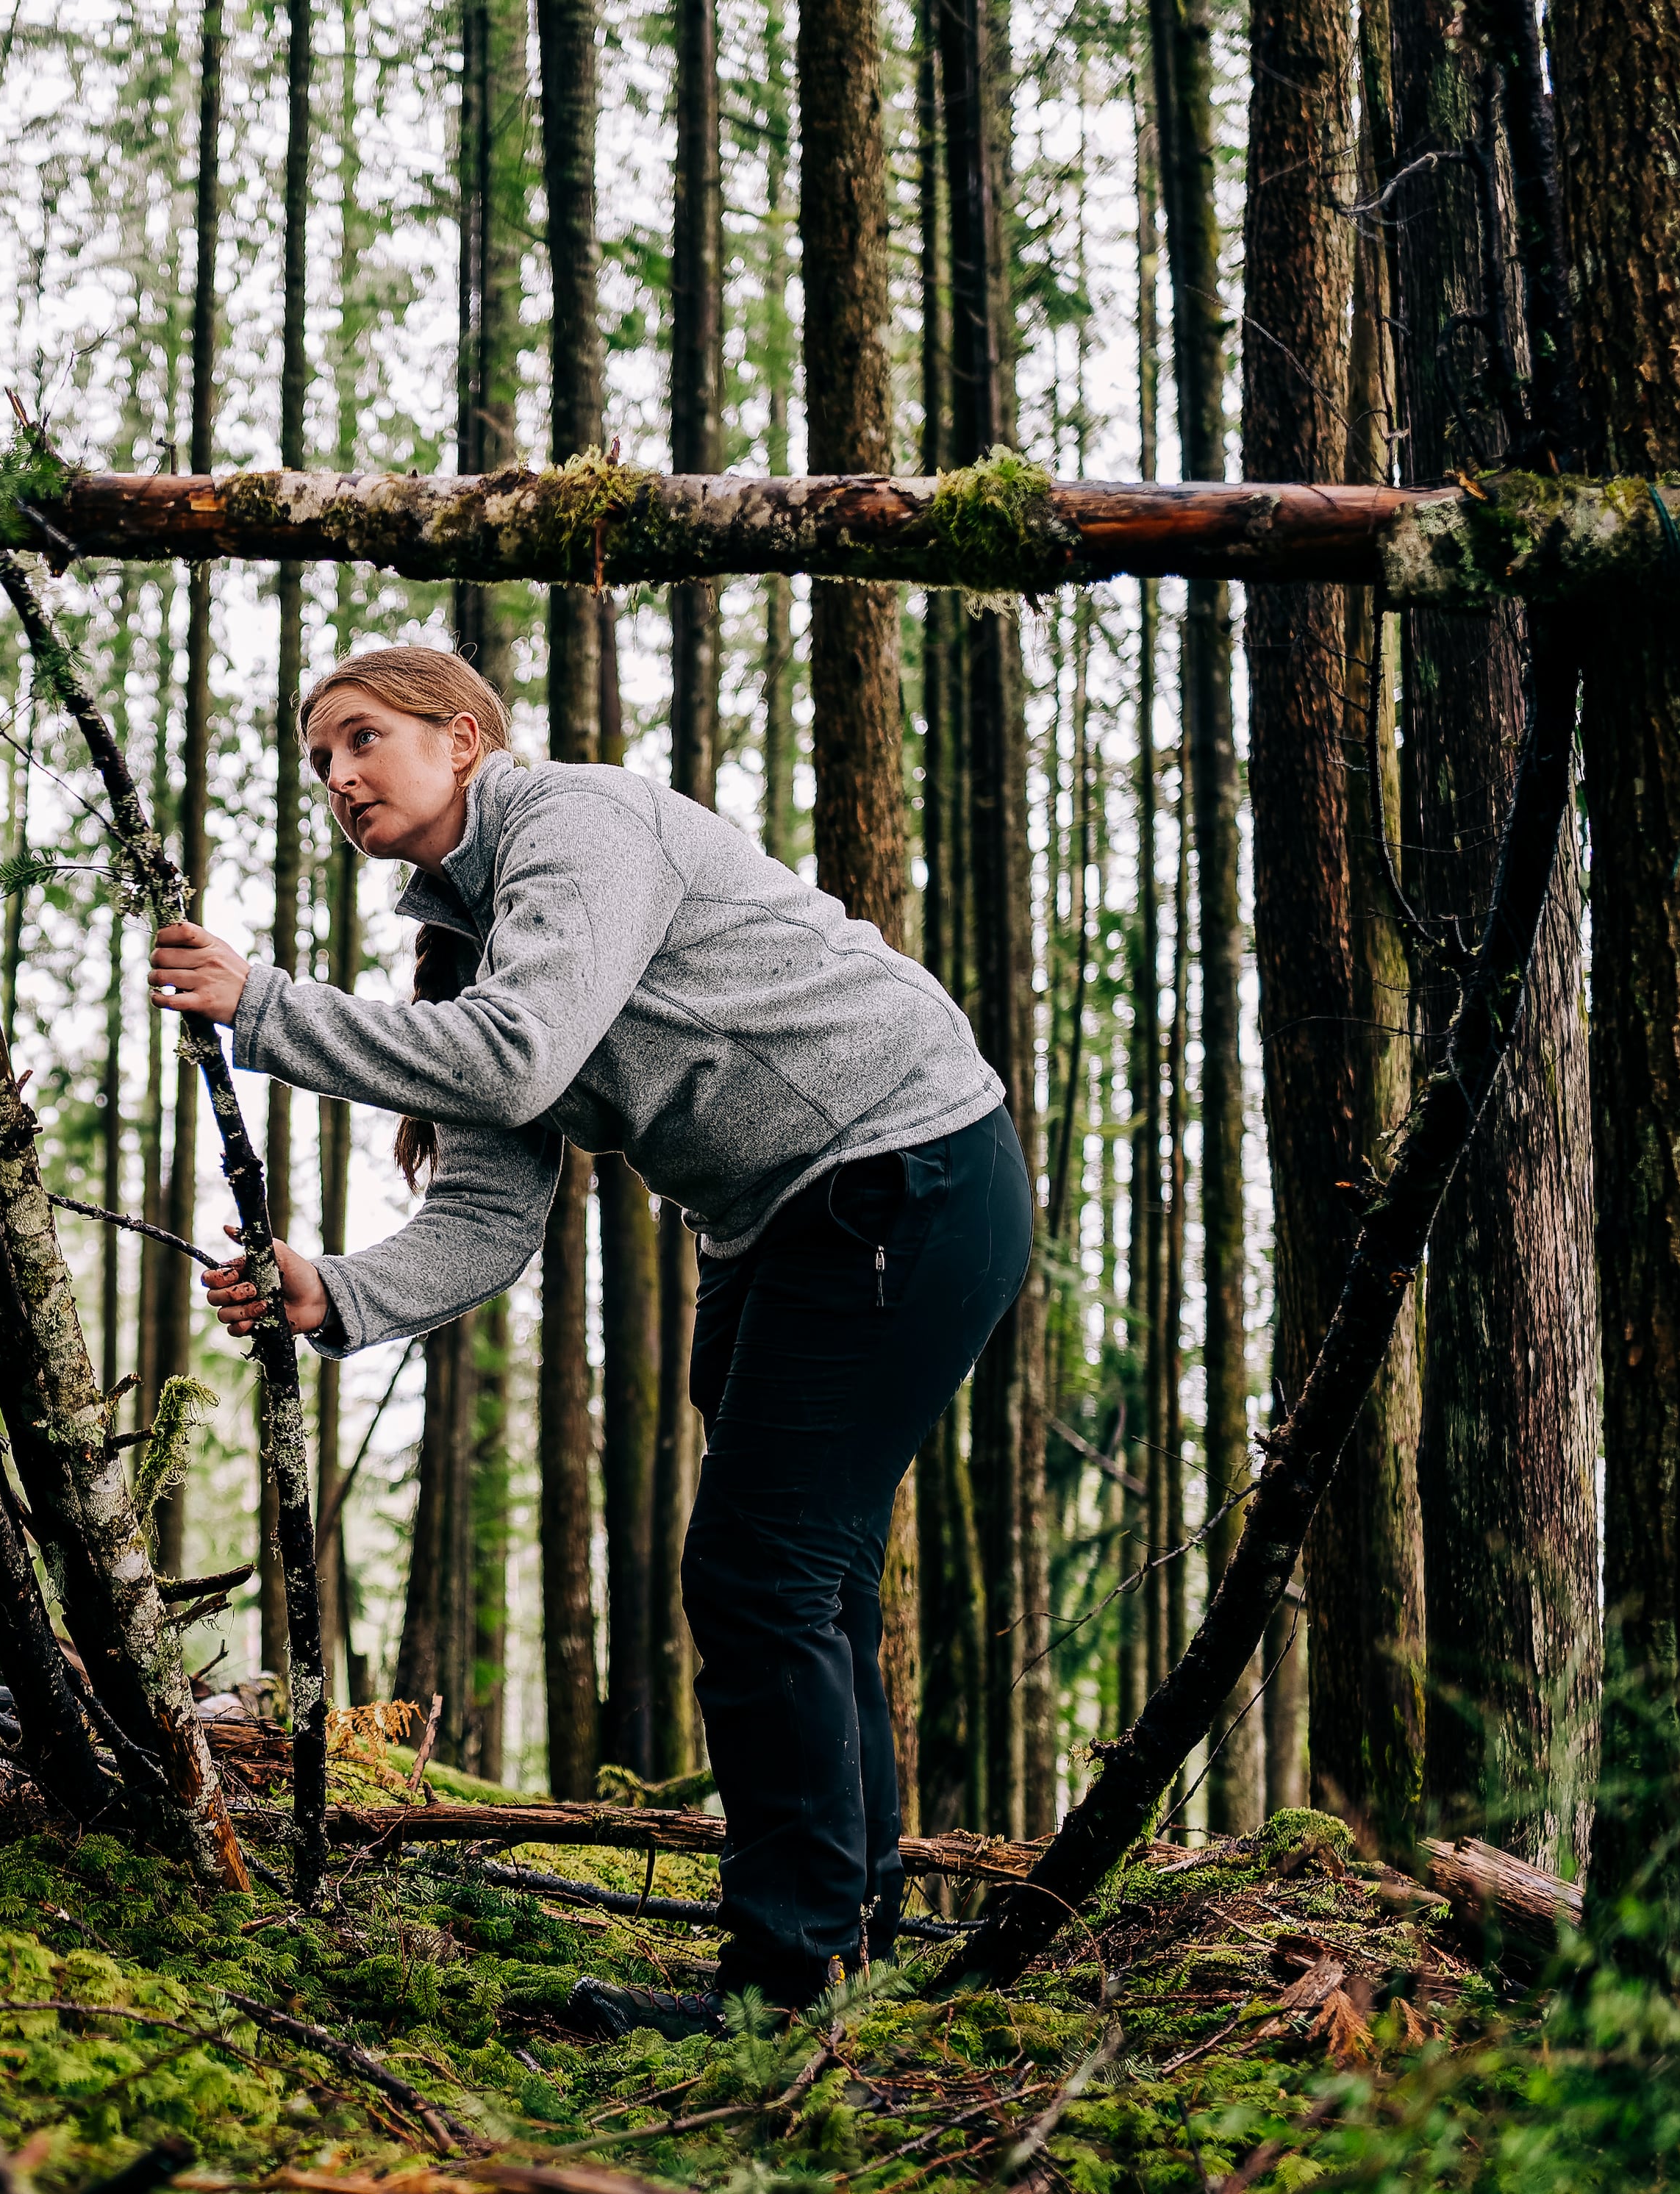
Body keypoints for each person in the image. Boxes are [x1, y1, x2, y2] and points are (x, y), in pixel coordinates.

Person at [149, 642, 1029, 2029]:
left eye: (365, 739)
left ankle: (786, 1982)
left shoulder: (577, 822)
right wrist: (341, 1290)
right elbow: (495, 1212)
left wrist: (263, 1007)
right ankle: (848, 1948)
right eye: (320, 759)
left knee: (760, 1574)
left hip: (904, 1172)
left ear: (463, 734)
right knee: (809, 1582)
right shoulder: (477, 934)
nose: (339, 776)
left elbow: (517, 1054)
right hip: (785, 1224)